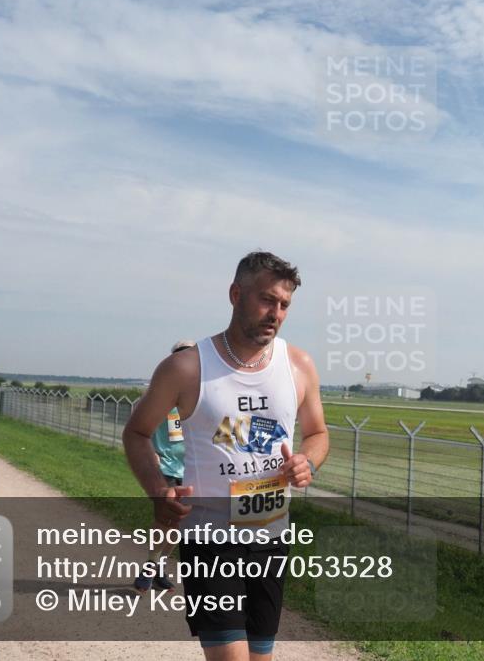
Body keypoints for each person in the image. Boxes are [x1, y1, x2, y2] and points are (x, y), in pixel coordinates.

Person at [123, 251, 328, 661]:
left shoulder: (299, 364)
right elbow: (137, 432)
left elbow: (318, 433)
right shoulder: (186, 367)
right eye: (267, 299)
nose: (276, 313)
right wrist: (157, 491)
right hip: (209, 539)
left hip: (271, 538)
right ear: (236, 294)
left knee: (260, 657)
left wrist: (307, 461)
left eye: (285, 304)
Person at [133, 339, 195, 593]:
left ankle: (159, 566)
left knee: (179, 526)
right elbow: (136, 429)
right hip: (166, 469)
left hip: (191, 470)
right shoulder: (158, 396)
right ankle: (149, 565)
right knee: (164, 520)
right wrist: (151, 454)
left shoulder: (198, 397)